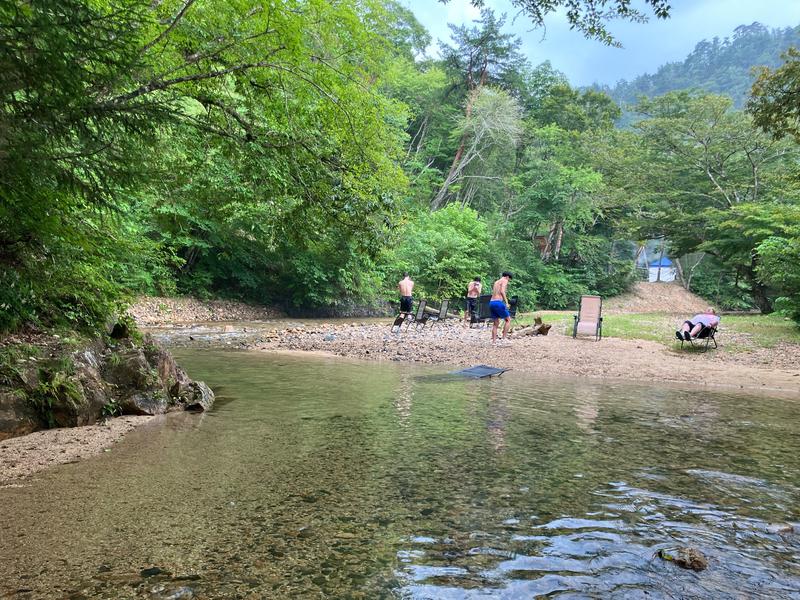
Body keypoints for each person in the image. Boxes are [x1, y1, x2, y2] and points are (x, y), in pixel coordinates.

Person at [489, 272, 513, 342]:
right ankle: (504, 338)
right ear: (507, 277)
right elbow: (502, 291)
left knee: (495, 323)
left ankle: (494, 341)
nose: (508, 281)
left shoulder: (496, 282)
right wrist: (507, 302)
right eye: (509, 279)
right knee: (508, 320)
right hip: (498, 302)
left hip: (491, 302)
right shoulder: (505, 280)